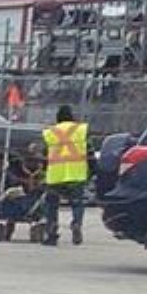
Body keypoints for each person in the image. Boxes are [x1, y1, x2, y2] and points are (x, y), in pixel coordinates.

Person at [38, 104, 92, 244]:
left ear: (58, 118)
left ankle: (51, 231)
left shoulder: (51, 132)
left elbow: (45, 154)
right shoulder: (81, 130)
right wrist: (92, 171)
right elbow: (89, 151)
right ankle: (76, 224)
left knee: (51, 205)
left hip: (55, 176)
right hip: (76, 174)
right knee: (77, 203)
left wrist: (44, 171)